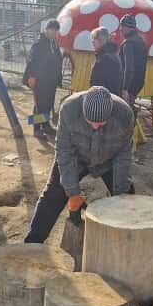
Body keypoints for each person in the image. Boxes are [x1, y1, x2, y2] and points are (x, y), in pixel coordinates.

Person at [24, 86, 135, 243]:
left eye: (101, 123)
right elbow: (64, 152)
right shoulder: (69, 109)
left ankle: (127, 242)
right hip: (76, 158)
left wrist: (120, 193)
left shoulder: (124, 115)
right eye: (91, 122)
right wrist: (73, 193)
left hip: (108, 159)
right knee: (53, 194)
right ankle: (33, 242)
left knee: (126, 197)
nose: (95, 127)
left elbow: (123, 156)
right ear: (83, 112)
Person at [23, 19, 63, 138]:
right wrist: (32, 77)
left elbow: (57, 61)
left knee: (48, 104)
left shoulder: (54, 43)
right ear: (46, 29)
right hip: (40, 80)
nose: (54, 32)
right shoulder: (39, 43)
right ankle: (36, 129)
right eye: (52, 30)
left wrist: (58, 79)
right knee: (40, 105)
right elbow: (32, 61)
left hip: (51, 80)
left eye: (56, 30)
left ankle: (46, 125)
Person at [118, 14, 147, 113]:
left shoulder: (128, 43)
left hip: (129, 84)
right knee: (129, 109)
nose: (120, 29)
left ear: (128, 27)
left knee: (124, 112)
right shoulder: (140, 40)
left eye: (122, 26)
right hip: (138, 83)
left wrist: (125, 88)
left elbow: (129, 68)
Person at [90, 27, 123, 96]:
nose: (92, 41)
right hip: (110, 96)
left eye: (95, 38)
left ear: (101, 40)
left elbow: (99, 83)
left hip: (102, 98)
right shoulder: (111, 55)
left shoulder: (105, 58)